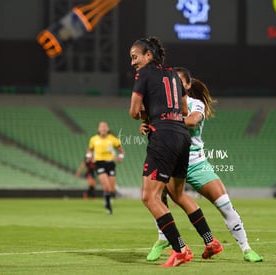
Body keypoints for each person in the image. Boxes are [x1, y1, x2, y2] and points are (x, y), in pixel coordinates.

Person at [141, 67, 263, 262]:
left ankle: (246, 249)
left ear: (188, 85)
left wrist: (168, 122)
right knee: (156, 196)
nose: (175, 87)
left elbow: (193, 120)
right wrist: (147, 126)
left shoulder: (194, 103)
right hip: (170, 160)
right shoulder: (162, 106)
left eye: (179, 83)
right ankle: (164, 238)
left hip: (196, 162)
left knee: (224, 205)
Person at [128, 36, 222, 267]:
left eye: (134, 57)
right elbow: (180, 109)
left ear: (148, 55)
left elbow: (133, 111)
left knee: (149, 196)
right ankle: (210, 242)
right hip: (181, 137)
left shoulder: (144, 75)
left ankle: (180, 249)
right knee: (177, 194)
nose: (132, 63)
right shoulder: (173, 75)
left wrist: (148, 117)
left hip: (163, 137)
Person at [86, 121, 124, 214]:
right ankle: (109, 206)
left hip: (110, 164)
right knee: (106, 185)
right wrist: (88, 157)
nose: (103, 129)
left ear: (107, 129)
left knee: (111, 188)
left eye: (105, 127)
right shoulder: (93, 139)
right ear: (98, 129)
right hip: (99, 163)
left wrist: (120, 157)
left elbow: (121, 151)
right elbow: (90, 150)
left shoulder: (113, 139)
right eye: (101, 127)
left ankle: (107, 198)